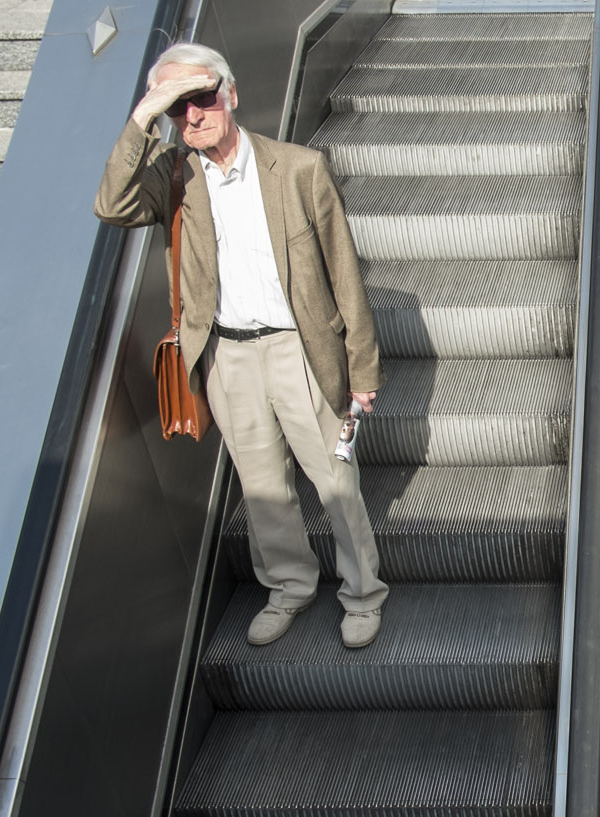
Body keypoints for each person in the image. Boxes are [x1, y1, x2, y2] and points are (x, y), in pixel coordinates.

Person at [94, 43, 389, 648]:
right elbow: (112, 204)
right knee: (262, 487)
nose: (193, 115)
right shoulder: (175, 179)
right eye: (179, 108)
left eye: (201, 98)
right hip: (226, 356)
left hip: (301, 351)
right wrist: (142, 116)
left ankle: (363, 593)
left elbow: (345, 274)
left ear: (231, 95)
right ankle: (290, 587)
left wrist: (363, 370)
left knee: (335, 480)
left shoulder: (300, 168)